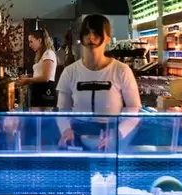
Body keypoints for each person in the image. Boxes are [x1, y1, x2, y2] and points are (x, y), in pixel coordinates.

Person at [57, 14, 141, 147]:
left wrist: (116, 134)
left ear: (108, 38)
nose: (91, 37)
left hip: (112, 137)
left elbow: (134, 109)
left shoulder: (122, 70)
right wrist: (66, 130)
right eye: (87, 33)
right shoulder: (70, 72)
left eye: (96, 33)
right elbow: (63, 110)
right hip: (77, 137)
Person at [18, 28, 58, 108]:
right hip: (38, 92)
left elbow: (46, 77)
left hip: (46, 92)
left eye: (31, 42)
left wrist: (27, 80)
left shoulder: (48, 54)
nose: (30, 45)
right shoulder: (43, 55)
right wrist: (29, 76)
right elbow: (40, 74)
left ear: (39, 40)